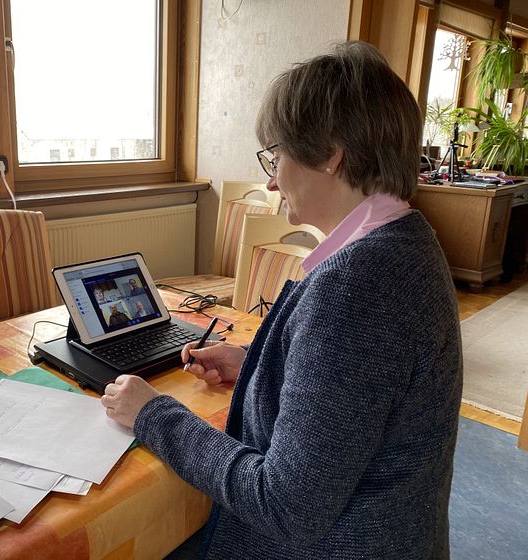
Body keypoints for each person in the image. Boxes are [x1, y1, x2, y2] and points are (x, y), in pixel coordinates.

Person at [101, 41, 462, 559]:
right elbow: (363, 394)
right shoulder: (408, 239)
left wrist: (153, 413)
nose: (271, 180)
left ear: (331, 153)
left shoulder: (358, 284)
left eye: (276, 157)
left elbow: (285, 507)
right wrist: (263, 365)